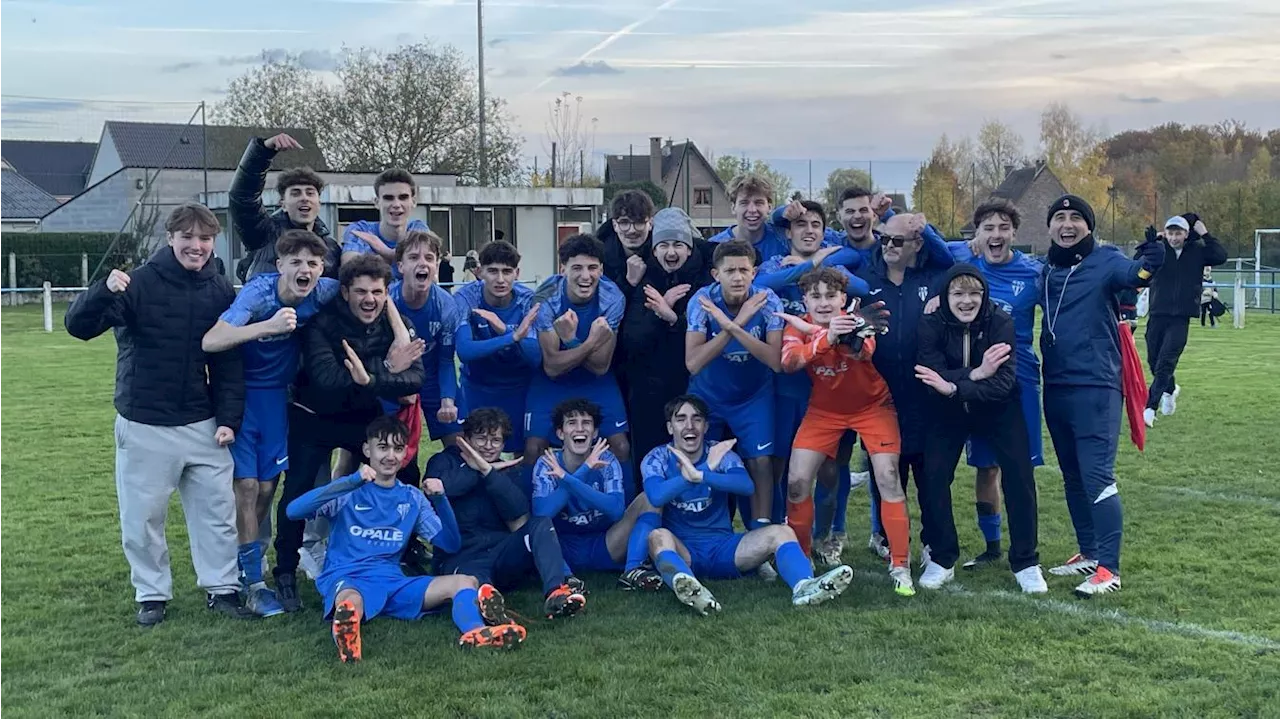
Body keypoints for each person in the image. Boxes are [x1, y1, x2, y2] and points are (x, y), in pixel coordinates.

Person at [65, 202, 252, 626]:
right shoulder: (137, 283)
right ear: (170, 238)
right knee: (143, 517)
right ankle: (151, 594)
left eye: (205, 238)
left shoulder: (221, 290)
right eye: (187, 237)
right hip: (144, 420)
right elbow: (78, 326)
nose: (197, 246)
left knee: (217, 513)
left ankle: (222, 588)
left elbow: (229, 364)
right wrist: (102, 289)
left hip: (202, 422)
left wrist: (227, 419)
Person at [286, 416, 526, 661]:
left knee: (463, 582)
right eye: (383, 447)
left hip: (393, 582)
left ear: (405, 454)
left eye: (397, 449)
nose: (390, 456)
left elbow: (450, 543)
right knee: (351, 600)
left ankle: (477, 632)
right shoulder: (348, 491)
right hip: (349, 576)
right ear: (367, 450)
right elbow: (293, 511)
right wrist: (351, 480)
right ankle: (348, 632)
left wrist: (441, 501)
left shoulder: (411, 497)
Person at [272, 254, 426, 611]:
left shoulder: (395, 324)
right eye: (360, 292)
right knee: (297, 489)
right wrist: (387, 369)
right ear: (345, 292)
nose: (369, 299)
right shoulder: (322, 324)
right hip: (313, 416)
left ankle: (405, 553)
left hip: (362, 416)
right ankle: (284, 572)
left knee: (403, 469)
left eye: (377, 291)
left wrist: (370, 377)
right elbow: (327, 382)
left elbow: (416, 378)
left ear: (387, 293)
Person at [201, 229, 339, 616]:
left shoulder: (325, 291)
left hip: (279, 403)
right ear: (279, 266)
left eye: (312, 263)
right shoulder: (258, 295)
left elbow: (371, 290)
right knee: (245, 487)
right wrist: (270, 326)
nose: (305, 269)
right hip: (243, 400)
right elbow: (212, 340)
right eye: (295, 262)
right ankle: (254, 582)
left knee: (265, 490)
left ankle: (243, 563)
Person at [1041, 194, 1165, 597]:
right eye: (1059, 217)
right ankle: (1090, 552)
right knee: (1072, 476)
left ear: (1089, 226)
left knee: (1096, 476)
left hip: (1095, 386)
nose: (1067, 224)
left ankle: (1108, 569)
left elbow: (1136, 276)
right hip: (1055, 385)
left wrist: (1152, 262)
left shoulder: (1107, 260)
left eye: (1076, 217)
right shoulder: (1046, 268)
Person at [641, 395, 854, 614]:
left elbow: (746, 486)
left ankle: (804, 586)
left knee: (782, 532)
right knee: (657, 537)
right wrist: (693, 476)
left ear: (706, 426)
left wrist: (703, 475)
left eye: (697, 419)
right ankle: (688, 586)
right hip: (684, 551)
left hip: (724, 549)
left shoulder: (720, 453)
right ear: (670, 427)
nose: (689, 426)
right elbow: (656, 496)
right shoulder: (656, 458)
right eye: (681, 419)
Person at [774, 268, 914, 596]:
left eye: (830, 296)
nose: (824, 303)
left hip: (873, 407)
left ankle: (900, 563)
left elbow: (862, 350)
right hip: (824, 412)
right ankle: (803, 557)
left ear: (843, 298)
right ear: (805, 299)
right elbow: (790, 361)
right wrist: (823, 335)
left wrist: (831, 333)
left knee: (888, 477)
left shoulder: (858, 319)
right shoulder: (794, 327)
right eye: (815, 296)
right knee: (796, 483)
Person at [913, 264, 1047, 593]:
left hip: (998, 407)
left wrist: (956, 386)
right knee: (933, 476)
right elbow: (931, 374)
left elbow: (1002, 381)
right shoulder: (930, 323)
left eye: (974, 292)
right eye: (958, 293)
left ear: (984, 294)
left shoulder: (999, 320)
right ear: (945, 296)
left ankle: (1026, 561)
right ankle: (943, 558)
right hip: (945, 408)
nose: (967, 300)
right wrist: (974, 374)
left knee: (1019, 476)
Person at [757, 200, 868, 560]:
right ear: (787, 232)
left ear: (824, 231)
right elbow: (762, 282)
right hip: (784, 385)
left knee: (832, 467)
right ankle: (777, 534)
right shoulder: (774, 263)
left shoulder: (836, 260)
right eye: (800, 224)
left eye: (816, 224)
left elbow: (861, 282)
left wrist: (818, 263)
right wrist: (813, 264)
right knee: (779, 465)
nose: (808, 230)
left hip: (831, 386)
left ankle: (828, 534)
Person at [941, 199, 1045, 569]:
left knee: (1020, 470)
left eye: (1003, 227)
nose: (996, 234)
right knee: (985, 468)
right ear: (977, 235)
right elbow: (928, 238)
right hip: (977, 382)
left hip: (1021, 381)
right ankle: (991, 546)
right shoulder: (965, 268)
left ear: (1014, 232)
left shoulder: (1034, 273)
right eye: (988, 228)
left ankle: (1026, 551)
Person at [427, 407, 588, 619]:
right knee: (475, 584)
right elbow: (444, 488)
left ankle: (556, 593)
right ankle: (490, 610)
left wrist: (488, 472)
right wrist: (480, 469)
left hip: (501, 552)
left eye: (495, 440)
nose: (487, 446)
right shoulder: (443, 461)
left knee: (540, 523)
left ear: (503, 444)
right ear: (465, 439)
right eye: (480, 438)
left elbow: (517, 509)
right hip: (461, 555)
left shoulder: (509, 469)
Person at [856, 212, 950, 562]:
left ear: (917, 244)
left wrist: (923, 225)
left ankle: (929, 540)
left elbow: (951, 258)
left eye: (898, 240)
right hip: (879, 394)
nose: (889, 246)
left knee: (927, 472)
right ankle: (885, 535)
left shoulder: (934, 277)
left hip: (923, 393)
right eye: (884, 239)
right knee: (886, 469)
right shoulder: (866, 278)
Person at [684, 239, 784, 529]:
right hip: (708, 394)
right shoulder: (702, 302)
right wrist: (737, 323)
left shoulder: (767, 300)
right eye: (730, 271)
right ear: (717, 275)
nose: (738, 277)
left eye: (744, 270)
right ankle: (707, 530)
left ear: (754, 272)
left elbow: (775, 361)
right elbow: (693, 362)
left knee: (761, 463)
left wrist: (730, 325)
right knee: (703, 462)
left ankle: (762, 532)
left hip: (753, 395)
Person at [525, 234, 632, 494]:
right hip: (551, 383)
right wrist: (589, 342)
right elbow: (552, 365)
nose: (586, 276)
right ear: (563, 270)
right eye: (577, 268)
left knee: (620, 446)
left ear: (602, 269)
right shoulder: (546, 295)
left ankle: (625, 516)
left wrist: (570, 341)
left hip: (596, 382)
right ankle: (531, 520)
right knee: (533, 447)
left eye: (593, 268)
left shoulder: (612, 297)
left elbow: (600, 366)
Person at [532, 399, 665, 591]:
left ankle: (633, 570)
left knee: (650, 499)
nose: (580, 429)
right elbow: (542, 514)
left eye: (586, 423)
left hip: (606, 544)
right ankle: (566, 579)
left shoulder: (606, 460)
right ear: (561, 433)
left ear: (594, 433)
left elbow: (616, 511)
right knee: (529, 523)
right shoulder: (548, 463)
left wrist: (569, 480)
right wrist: (584, 470)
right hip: (562, 550)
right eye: (572, 423)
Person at [621, 207, 714, 465]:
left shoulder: (704, 281)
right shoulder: (645, 280)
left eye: (677, 245)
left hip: (692, 386)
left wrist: (671, 316)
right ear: (653, 250)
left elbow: (709, 334)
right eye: (663, 245)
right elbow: (632, 339)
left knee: (695, 462)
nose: (671, 252)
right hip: (647, 390)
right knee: (649, 460)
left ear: (689, 248)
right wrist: (658, 313)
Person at [453, 240, 542, 454]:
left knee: (527, 452)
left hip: (521, 388)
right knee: (475, 452)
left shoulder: (528, 300)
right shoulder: (466, 298)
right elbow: (464, 351)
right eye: (492, 271)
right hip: (478, 387)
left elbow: (537, 358)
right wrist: (513, 337)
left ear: (517, 273)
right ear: (479, 271)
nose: (500, 279)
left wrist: (504, 331)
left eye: (507, 271)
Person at [1141, 214, 1228, 427]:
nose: (1173, 237)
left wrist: (1205, 232)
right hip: (1158, 312)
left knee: (1166, 361)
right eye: (1170, 233)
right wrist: (1150, 245)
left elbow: (1220, 255)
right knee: (1154, 360)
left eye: (1178, 233)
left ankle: (1150, 408)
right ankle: (1170, 390)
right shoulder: (1160, 249)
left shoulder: (1197, 251)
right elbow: (1139, 265)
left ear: (1187, 234)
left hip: (1181, 316)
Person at [389, 230, 464, 456]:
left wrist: (448, 400)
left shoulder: (446, 306)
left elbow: (446, 360)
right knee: (371, 448)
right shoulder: (387, 301)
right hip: (394, 378)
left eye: (429, 258)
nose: (422, 264)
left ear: (437, 264)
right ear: (400, 266)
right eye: (413, 258)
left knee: (461, 448)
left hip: (431, 378)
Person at [230, 133, 339, 282]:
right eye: (296, 193)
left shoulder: (331, 248)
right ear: (283, 204)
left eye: (310, 193)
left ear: (319, 202)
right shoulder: (263, 232)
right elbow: (242, 197)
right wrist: (263, 151)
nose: (304, 198)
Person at [340, 168, 430, 277]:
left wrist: (385, 252)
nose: (396, 204)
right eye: (388, 198)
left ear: (414, 202)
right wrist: (399, 258)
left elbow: (423, 274)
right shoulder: (359, 230)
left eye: (403, 197)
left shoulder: (418, 228)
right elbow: (350, 271)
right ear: (377, 203)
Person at [707, 174, 790, 265]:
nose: (752, 210)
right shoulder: (714, 246)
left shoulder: (784, 240)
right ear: (733, 208)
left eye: (759, 203)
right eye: (744, 203)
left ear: (769, 207)